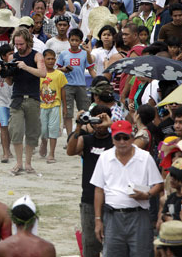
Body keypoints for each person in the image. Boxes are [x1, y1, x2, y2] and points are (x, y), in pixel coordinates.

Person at [91, 120, 164, 257]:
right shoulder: (104, 158)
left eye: (125, 137)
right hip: (113, 217)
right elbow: (98, 189)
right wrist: (98, 219)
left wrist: (147, 195)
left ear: (132, 137)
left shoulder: (144, 157)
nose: (122, 141)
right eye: (117, 138)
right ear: (112, 139)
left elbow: (159, 185)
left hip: (139, 215)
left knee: (142, 253)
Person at [66, 105, 113, 257]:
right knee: (90, 245)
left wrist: (110, 125)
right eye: (95, 120)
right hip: (89, 198)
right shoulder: (86, 140)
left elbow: (129, 144)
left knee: (113, 245)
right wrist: (79, 125)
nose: (99, 124)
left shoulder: (116, 140)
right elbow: (70, 151)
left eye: (102, 119)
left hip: (113, 198)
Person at [7, 27, 47, 175]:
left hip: (33, 97)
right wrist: (6, 73)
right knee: (16, 130)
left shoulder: (37, 56)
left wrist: (25, 67)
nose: (19, 47)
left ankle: (28, 163)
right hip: (17, 97)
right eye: (16, 44)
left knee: (32, 131)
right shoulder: (13, 57)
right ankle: (19, 163)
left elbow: (42, 73)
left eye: (21, 44)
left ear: (28, 42)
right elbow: (10, 82)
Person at [57, 29, 94, 137]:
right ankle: (70, 137)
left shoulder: (84, 53)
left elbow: (91, 67)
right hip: (67, 85)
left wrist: (98, 81)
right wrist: (64, 69)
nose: (74, 42)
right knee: (68, 114)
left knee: (84, 111)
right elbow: (57, 69)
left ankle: (83, 135)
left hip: (81, 85)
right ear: (68, 40)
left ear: (80, 41)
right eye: (72, 40)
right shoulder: (63, 54)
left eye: (76, 40)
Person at [39, 49, 67, 164]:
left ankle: (52, 153)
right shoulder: (39, 74)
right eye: (48, 59)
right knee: (43, 130)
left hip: (55, 105)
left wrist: (65, 106)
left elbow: (62, 90)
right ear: (43, 60)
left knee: (53, 129)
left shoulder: (59, 74)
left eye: (52, 59)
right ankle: (44, 142)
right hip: (41, 105)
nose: (50, 61)